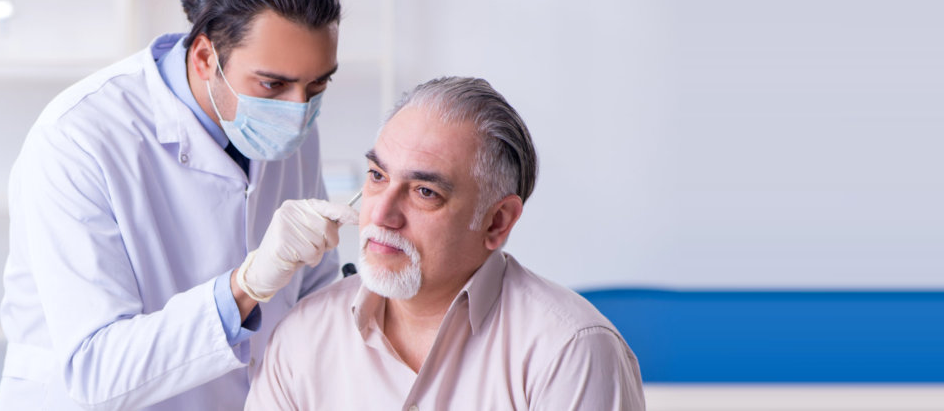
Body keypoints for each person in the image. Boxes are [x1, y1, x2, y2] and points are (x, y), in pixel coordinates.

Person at [0, 0, 358, 411]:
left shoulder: (292, 125)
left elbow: (310, 293)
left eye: (318, 84)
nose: (299, 109)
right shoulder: (78, 138)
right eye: (273, 84)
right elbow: (96, 370)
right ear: (206, 57)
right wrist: (244, 288)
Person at [245, 77, 647, 410]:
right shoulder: (302, 339)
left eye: (424, 192)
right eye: (377, 176)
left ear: (497, 221)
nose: (382, 215)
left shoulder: (569, 351)